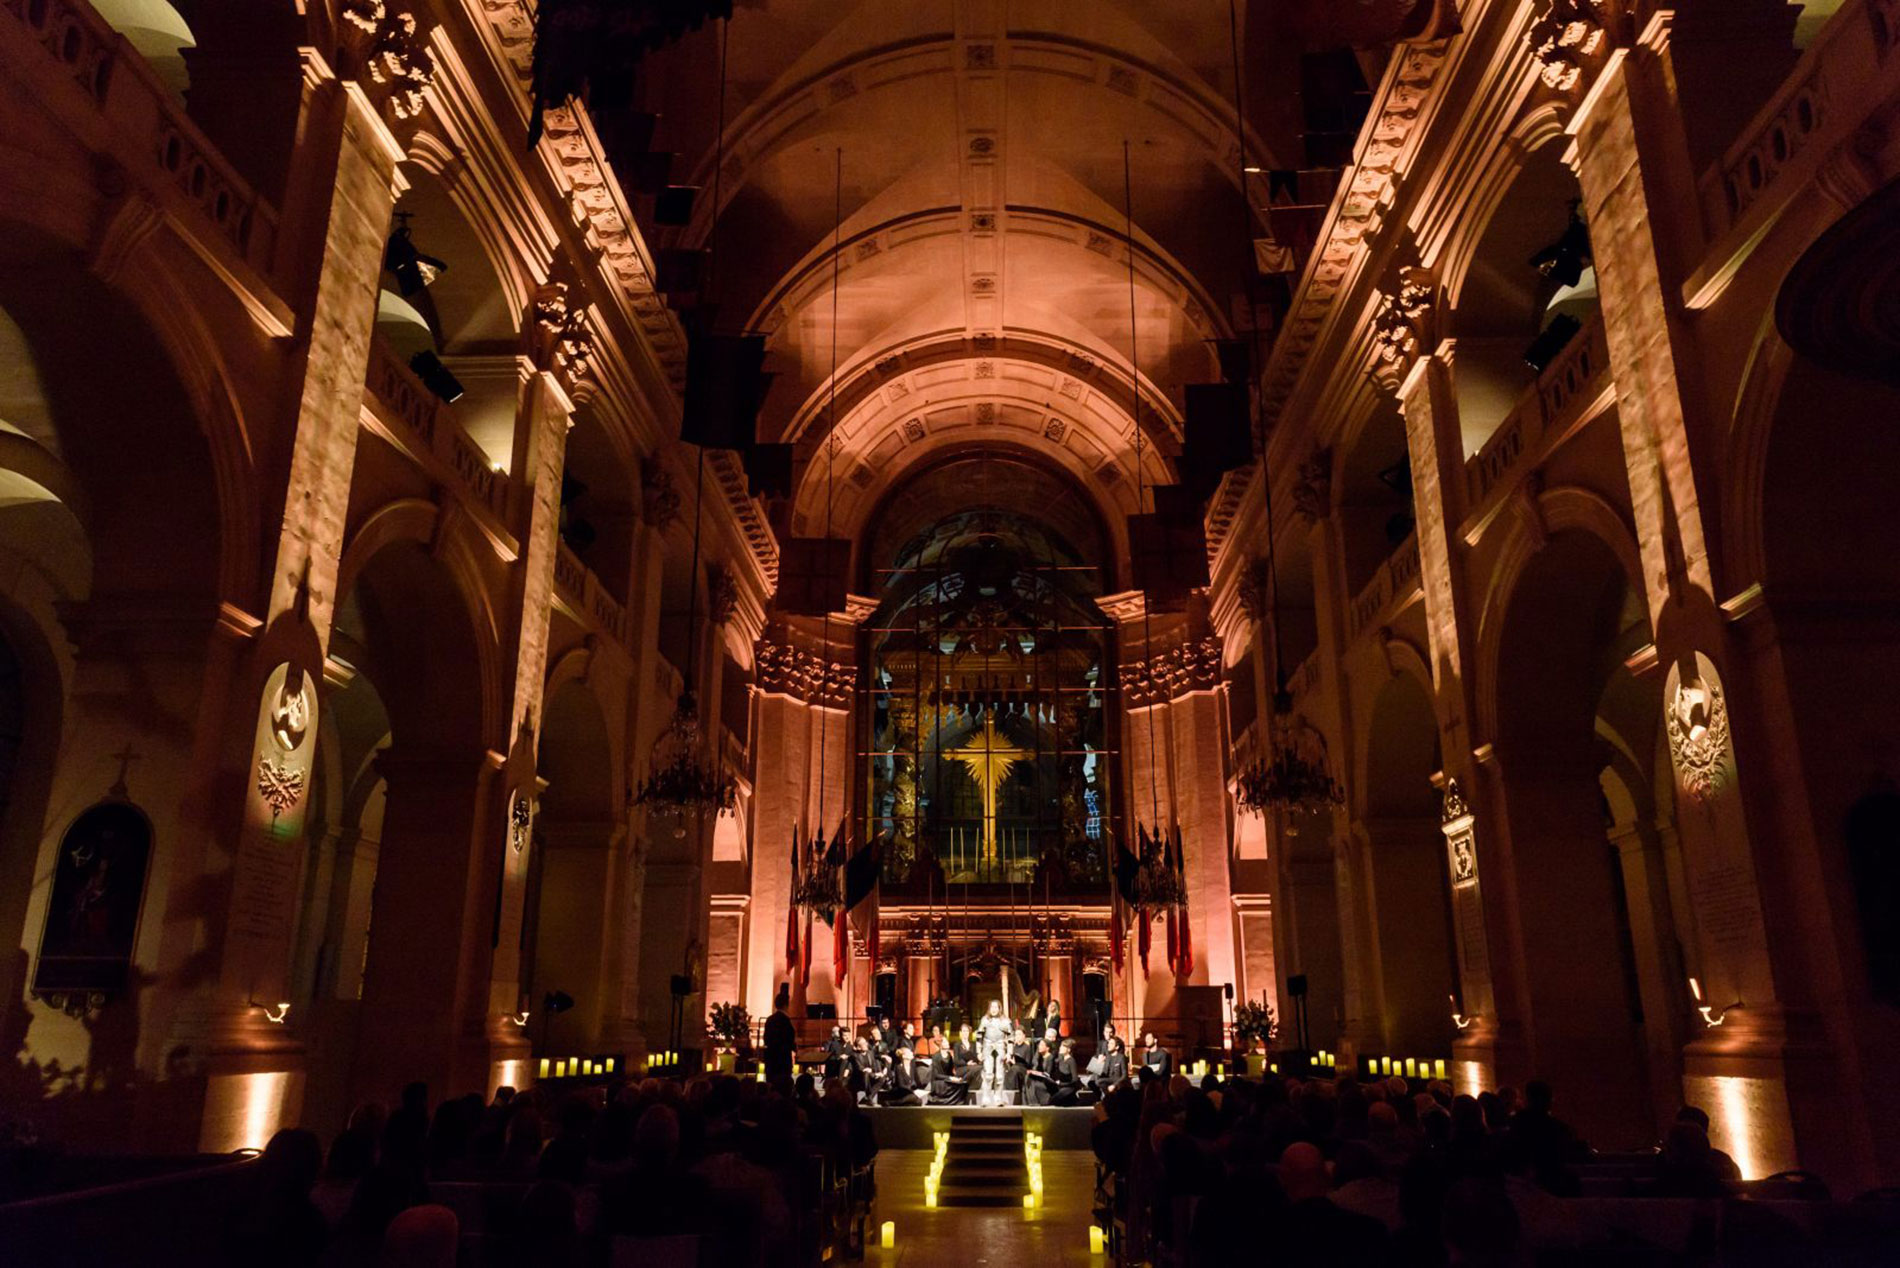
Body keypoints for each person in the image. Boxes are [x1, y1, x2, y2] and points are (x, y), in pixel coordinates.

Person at [763, 985, 796, 1083]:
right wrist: (794, 1049)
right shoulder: (785, 1021)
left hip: (771, 1058)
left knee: (771, 1084)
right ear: (786, 1005)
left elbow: (766, 1038)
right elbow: (789, 1039)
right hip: (782, 1059)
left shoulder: (770, 1019)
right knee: (783, 1084)